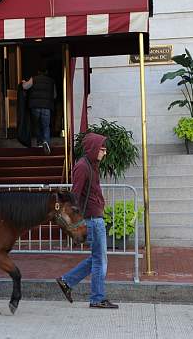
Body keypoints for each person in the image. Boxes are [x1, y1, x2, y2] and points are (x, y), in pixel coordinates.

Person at [55, 132, 119, 309]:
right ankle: (97, 298)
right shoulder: (83, 167)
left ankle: (66, 281)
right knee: (100, 260)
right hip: (91, 219)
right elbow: (75, 195)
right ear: (93, 148)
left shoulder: (91, 165)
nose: (104, 153)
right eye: (102, 149)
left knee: (97, 258)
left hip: (94, 217)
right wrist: (76, 222)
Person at [22, 65, 56, 155]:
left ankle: (40, 142)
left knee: (37, 125)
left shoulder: (34, 79)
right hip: (47, 106)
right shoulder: (51, 81)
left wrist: (23, 82)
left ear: (38, 72)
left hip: (35, 106)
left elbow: (25, 87)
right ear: (46, 72)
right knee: (46, 126)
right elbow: (54, 95)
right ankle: (46, 143)